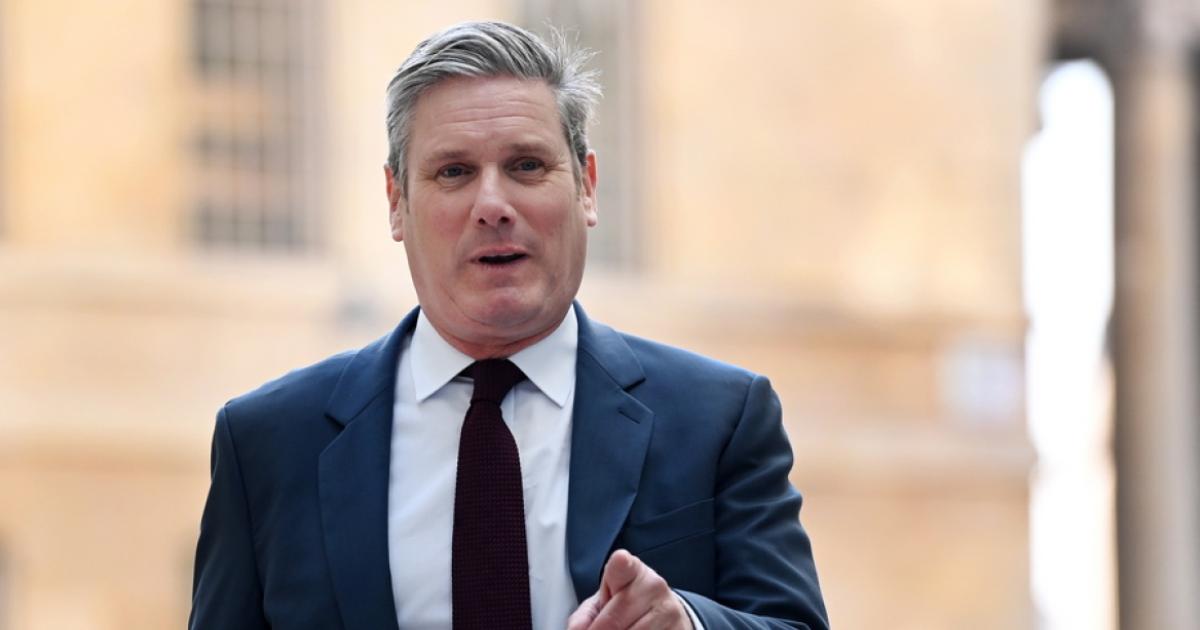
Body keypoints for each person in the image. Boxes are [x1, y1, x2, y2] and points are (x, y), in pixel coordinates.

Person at [189, 20, 828, 630]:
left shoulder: (720, 418)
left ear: (586, 186)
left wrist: (687, 623)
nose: (492, 205)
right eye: (454, 172)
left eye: (526, 166)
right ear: (396, 202)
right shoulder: (269, 443)